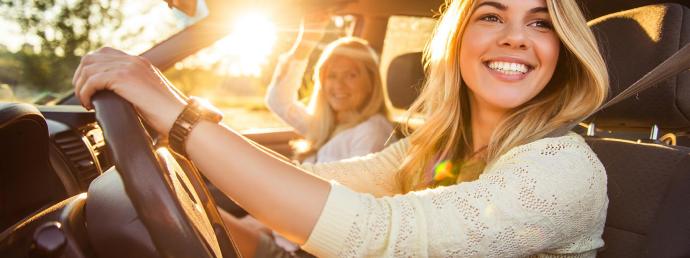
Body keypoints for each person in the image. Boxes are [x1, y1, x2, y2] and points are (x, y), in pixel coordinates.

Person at [72, 0, 610, 257]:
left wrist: (179, 114)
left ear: (561, 51)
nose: (516, 37)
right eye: (492, 16)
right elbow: (322, 181)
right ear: (458, 42)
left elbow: (381, 235)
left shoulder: (562, 169)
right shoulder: (435, 148)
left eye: (540, 22)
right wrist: (186, 166)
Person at [265, 17, 395, 163]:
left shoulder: (372, 132)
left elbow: (354, 185)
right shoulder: (325, 124)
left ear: (371, 82)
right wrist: (306, 42)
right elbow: (278, 101)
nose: (339, 85)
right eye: (331, 76)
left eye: (351, 75)